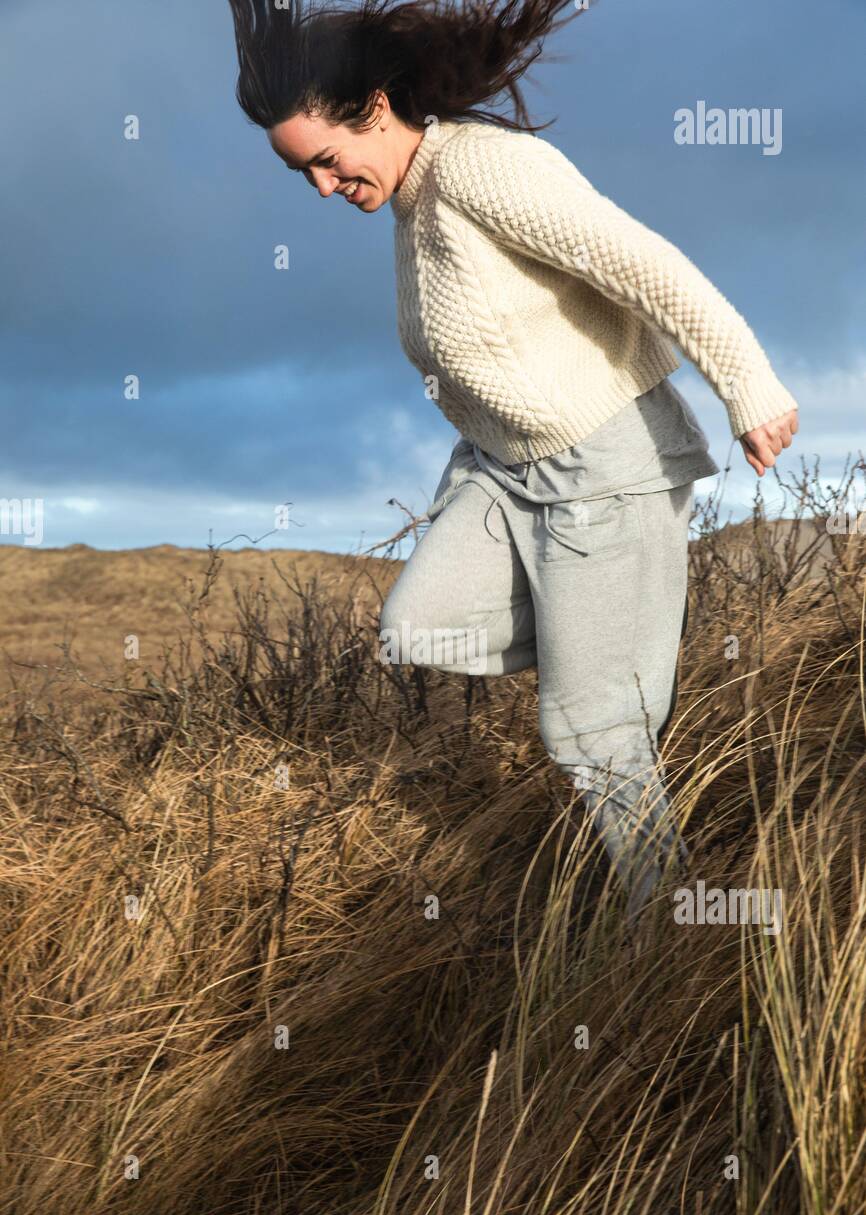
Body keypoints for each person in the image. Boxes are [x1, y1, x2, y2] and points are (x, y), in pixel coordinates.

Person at [227, 0, 799, 915]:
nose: (325, 189)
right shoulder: (415, 202)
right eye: (306, 178)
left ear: (373, 108)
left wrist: (750, 385)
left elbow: (645, 264)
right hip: (505, 472)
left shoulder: (483, 170)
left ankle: (672, 917)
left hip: (605, 470)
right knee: (417, 625)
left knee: (588, 733)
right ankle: (622, 657)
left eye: (327, 163)